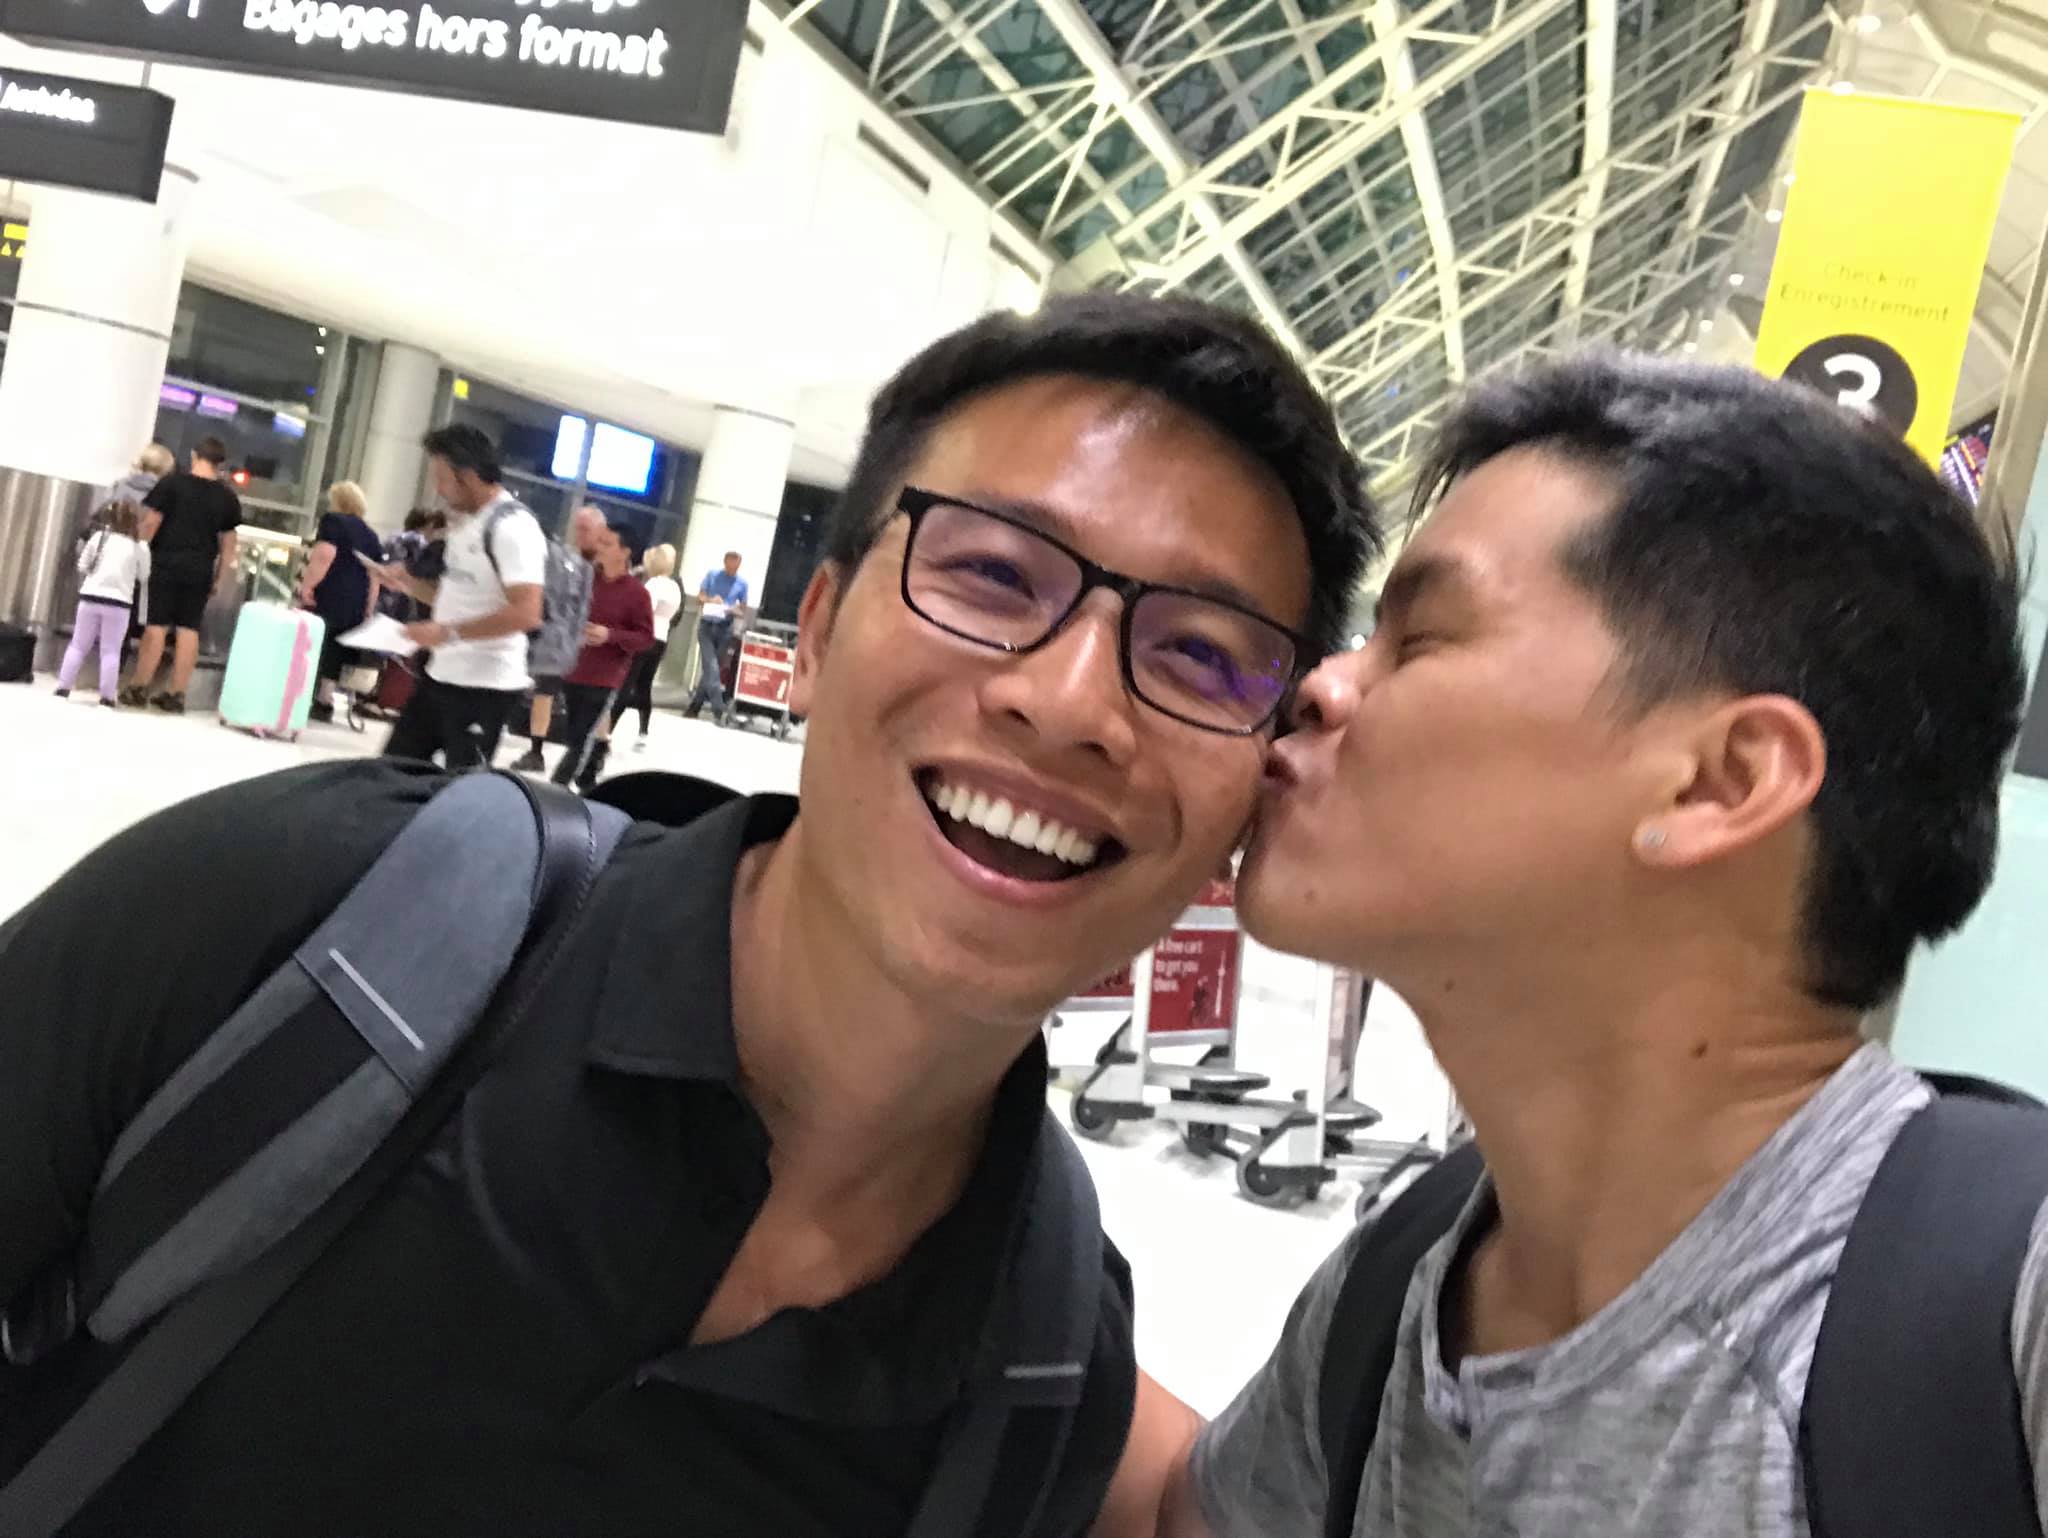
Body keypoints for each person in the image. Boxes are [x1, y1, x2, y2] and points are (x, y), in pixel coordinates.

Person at [0, 293, 1374, 1535]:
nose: (1068, 702)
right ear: (818, 631)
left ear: (1254, 790)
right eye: (994, 575)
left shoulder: (1036, 1372)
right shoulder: (318, 924)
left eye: (1201, 655)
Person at [1097, 353, 2034, 1538]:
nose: (1317, 688)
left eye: (1416, 637)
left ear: (1718, 782)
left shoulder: (2006, 1313)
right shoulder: (1394, 1296)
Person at [372, 425, 545, 769]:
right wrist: (406, 584)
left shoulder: (513, 528)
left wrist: (447, 633)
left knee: (460, 786)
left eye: (441, 477)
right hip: (441, 675)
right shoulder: (468, 523)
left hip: (485, 687)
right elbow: (457, 597)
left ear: (466, 476)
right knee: (392, 772)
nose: (437, 489)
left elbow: (527, 612)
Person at [121, 436, 241, 715]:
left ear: (194, 455)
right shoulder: (227, 497)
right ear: (219, 463)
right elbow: (229, 545)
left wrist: (138, 554)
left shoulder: (172, 484)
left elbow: (151, 523)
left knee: (156, 626)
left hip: (165, 563)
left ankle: (139, 687)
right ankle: (176, 694)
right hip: (200, 570)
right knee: (189, 629)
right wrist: (219, 578)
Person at [549, 521, 654, 791]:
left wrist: (610, 635)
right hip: (572, 668)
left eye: (607, 544)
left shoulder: (637, 594)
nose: (600, 548)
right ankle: (593, 762)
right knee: (573, 734)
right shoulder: (585, 580)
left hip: (605, 677)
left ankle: (557, 788)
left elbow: (645, 638)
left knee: (581, 737)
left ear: (625, 552)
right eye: (600, 542)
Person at [510, 504, 605, 774]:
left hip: (583, 645)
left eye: (585, 529)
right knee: (545, 691)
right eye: (578, 528)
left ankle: (592, 750)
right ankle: (539, 749)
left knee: (587, 700)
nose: (580, 534)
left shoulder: (596, 565)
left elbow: (584, 605)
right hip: (560, 642)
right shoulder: (569, 559)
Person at [296, 482, 386, 724]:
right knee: (337, 650)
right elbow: (375, 576)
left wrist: (308, 585)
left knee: (316, 644)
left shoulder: (333, 521)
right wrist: (368, 608)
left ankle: (302, 695)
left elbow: (324, 556)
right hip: (356, 599)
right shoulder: (370, 535)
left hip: (331, 592)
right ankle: (325, 700)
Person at [54, 501, 151, 707]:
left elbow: (82, 565)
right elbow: (144, 576)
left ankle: (63, 687)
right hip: (119, 604)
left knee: (78, 645)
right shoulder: (140, 547)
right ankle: (107, 697)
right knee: (111, 650)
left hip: (89, 597)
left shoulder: (99, 538)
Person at [611, 541, 682, 751]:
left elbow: (644, 611)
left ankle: (608, 729)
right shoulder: (674, 587)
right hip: (662, 638)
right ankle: (643, 732)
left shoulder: (653, 585)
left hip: (644, 637)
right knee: (644, 685)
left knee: (626, 684)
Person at [683, 549, 749, 719]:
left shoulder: (742, 583)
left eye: (736, 567)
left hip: (725, 628)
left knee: (711, 669)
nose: (733, 570)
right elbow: (700, 597)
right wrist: (711, 600)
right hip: (707, 625)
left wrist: (733, 609)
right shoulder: (712, 575)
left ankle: (695, 707)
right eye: (730, 566)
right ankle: (718, 707)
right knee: (711, 665)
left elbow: (742, 609)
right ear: (725, 563)